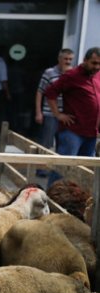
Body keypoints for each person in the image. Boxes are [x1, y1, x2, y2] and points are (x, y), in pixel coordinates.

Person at [45, 46, 100, 187]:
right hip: (72, 131)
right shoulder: (72, 75)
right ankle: (51, 199)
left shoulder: (98, 75)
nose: (97, 67)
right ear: (85, 60)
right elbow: (50, 92)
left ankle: (76, 203)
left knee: (86, 170)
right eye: (94, 63)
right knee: (64, 168)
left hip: (92, 132)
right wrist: (58, 114)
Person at [34, 48, 74, 176]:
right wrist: (38, 112)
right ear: (59, 59)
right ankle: (41, 169)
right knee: (46, 143)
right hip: (49, 113)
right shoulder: (49, 73)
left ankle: (57, 170)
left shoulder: (73, 73)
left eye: (70, 59)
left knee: (63, 143)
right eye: (65, 59)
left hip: (66, 115)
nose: (67, 61)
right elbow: (40, 92)